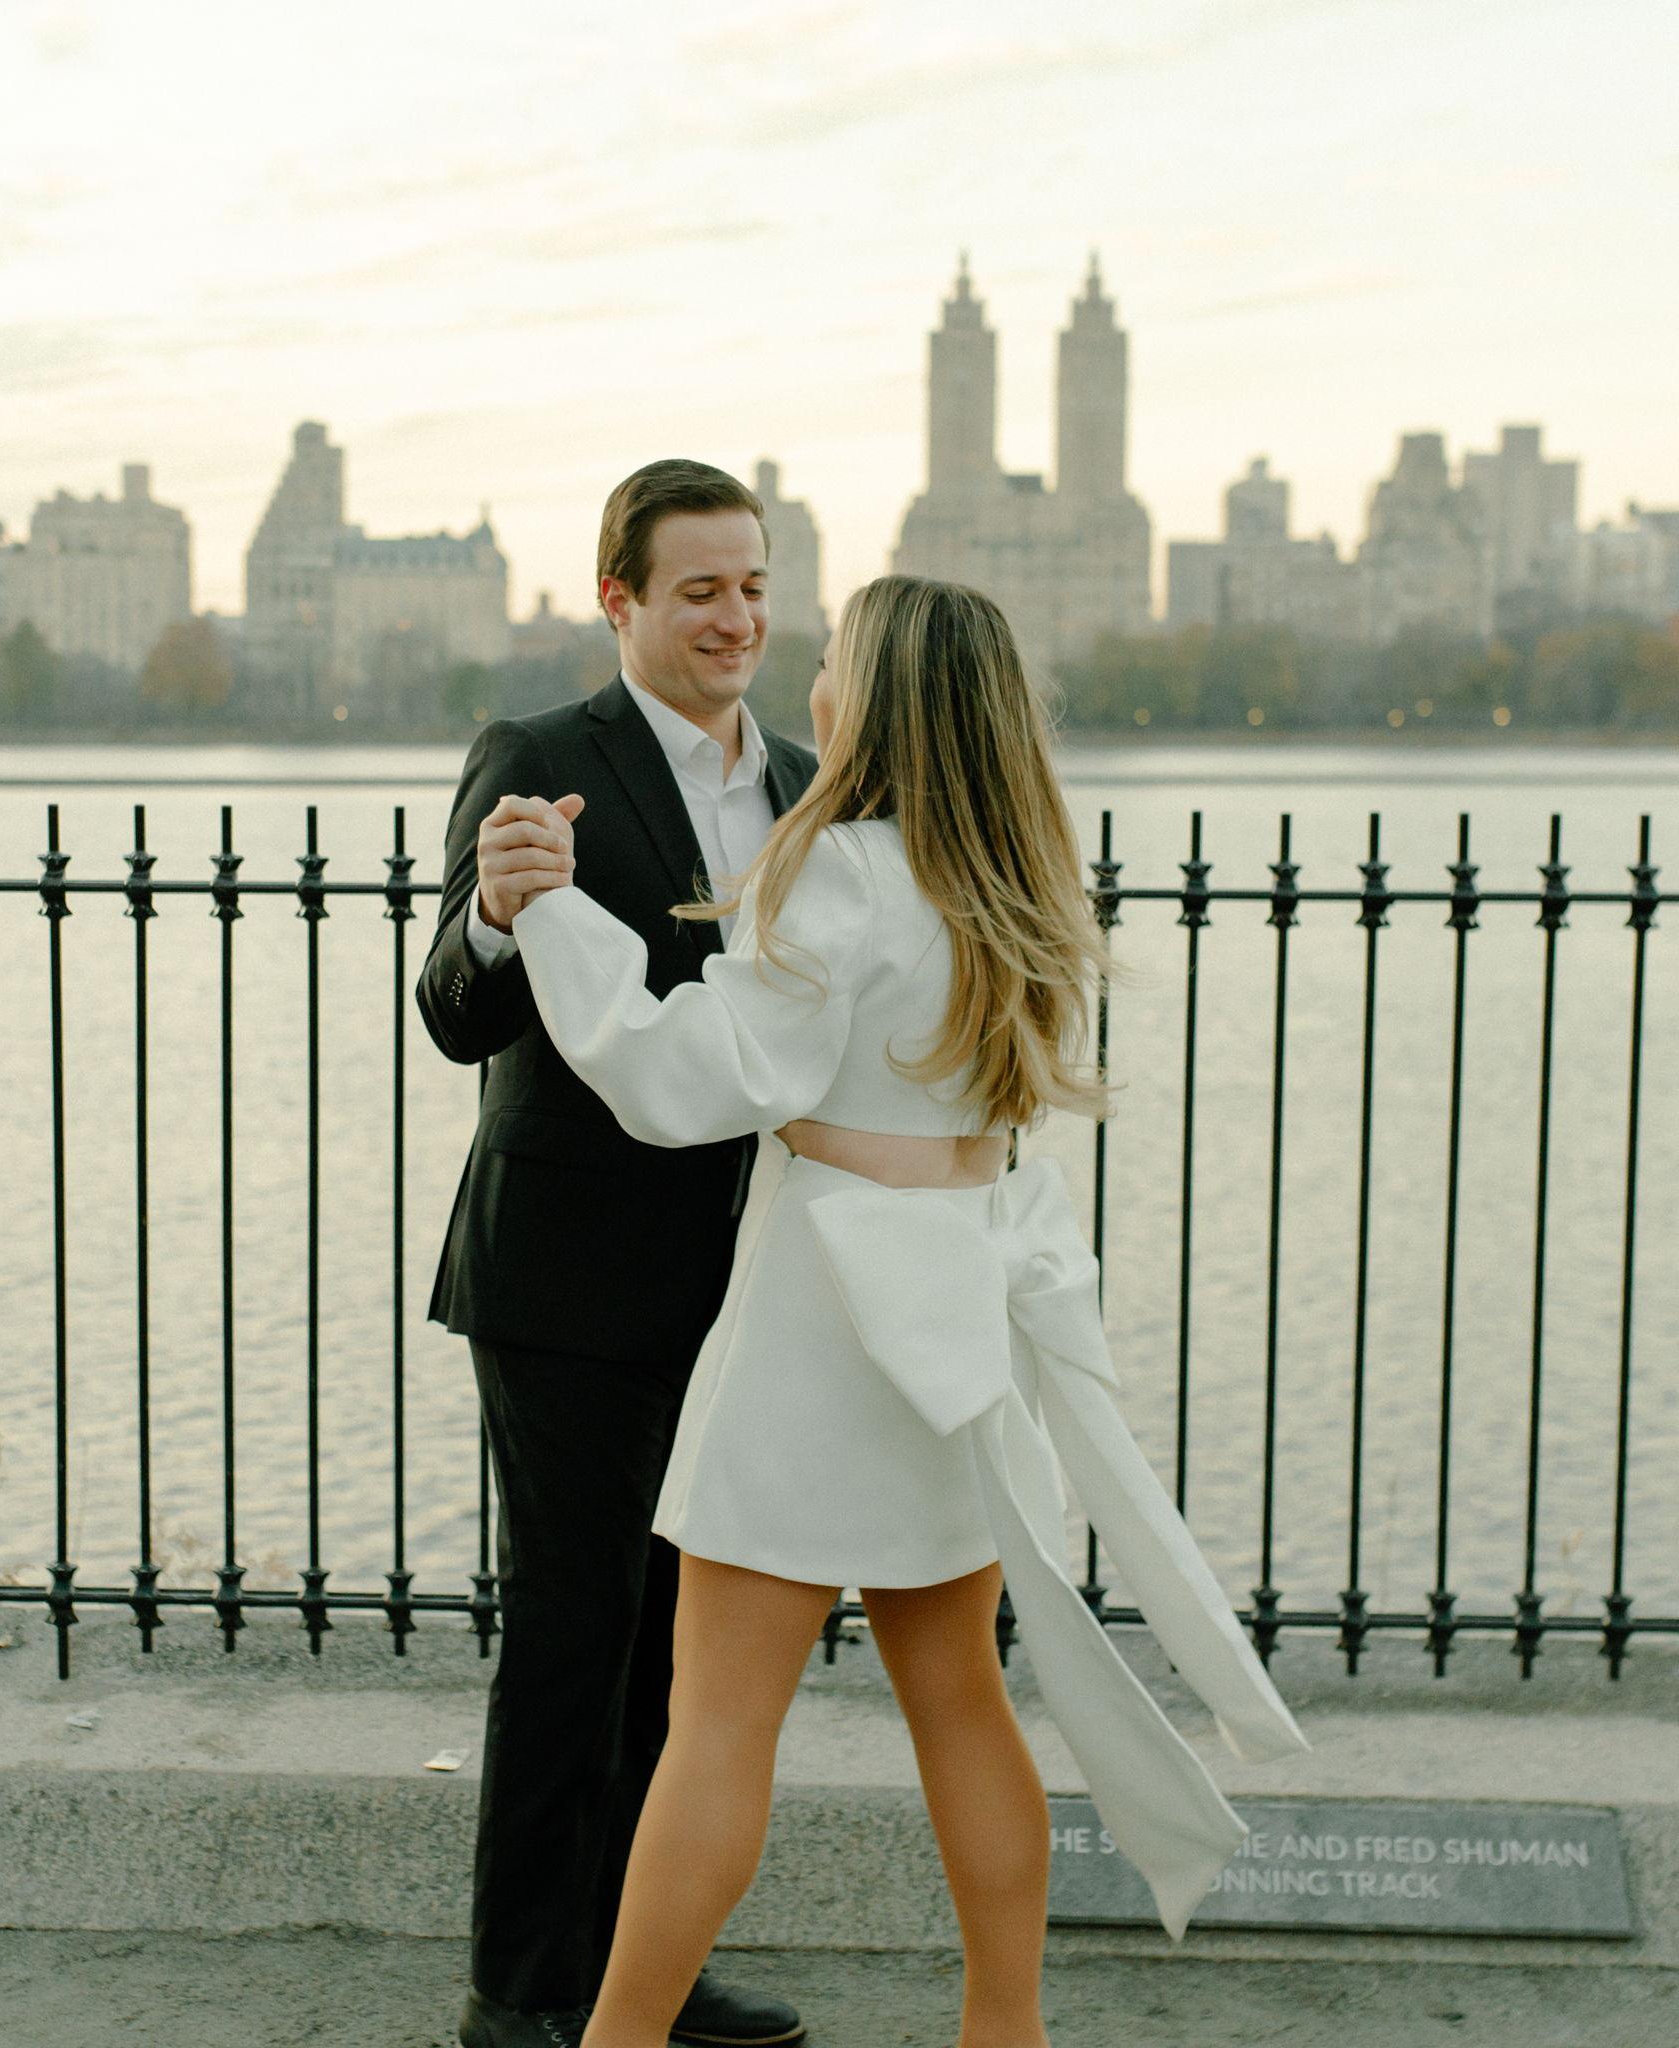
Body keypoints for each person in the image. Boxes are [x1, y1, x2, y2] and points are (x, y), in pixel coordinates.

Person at [493, 574, 1313, 2048]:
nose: (810, 683)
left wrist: (554, 913)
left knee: (719, 1723)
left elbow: (688, 1077)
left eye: (836, 663)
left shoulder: (838, 868)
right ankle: (1007, 2030)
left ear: (873, 699)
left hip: (822, 1322)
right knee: (960, 1700)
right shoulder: (1024, 882)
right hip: (959, 1314)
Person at [416, 459, 817, 2048]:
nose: (736, 618)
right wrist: (496, 915)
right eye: (700, 589)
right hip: (564, 1284)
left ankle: (649, 1967)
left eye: (753, 586)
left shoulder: (809, 782)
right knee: (573, 1640)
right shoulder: (539, 758)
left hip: (748, 1287)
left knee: (684, 1654)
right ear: (620, 600)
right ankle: (520, 1997)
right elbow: (454, 1013)